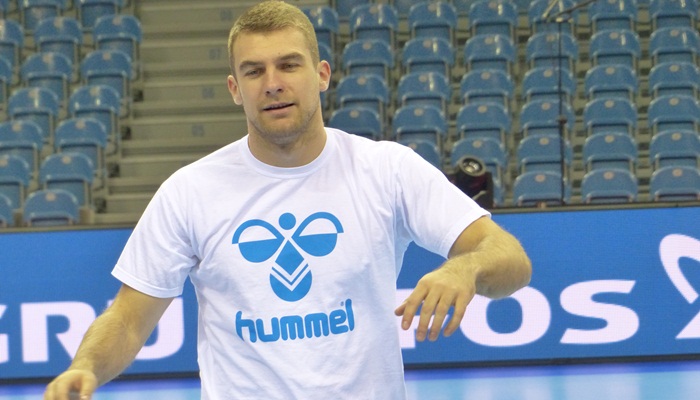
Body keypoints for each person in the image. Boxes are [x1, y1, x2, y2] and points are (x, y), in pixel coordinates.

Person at [44, 1, 531, 399]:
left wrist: (466, 268)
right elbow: (129, 318)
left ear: (322, 74)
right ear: (235, 89)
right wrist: (85, 367)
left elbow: (512, 261)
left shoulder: (387, 169)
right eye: (254, 71)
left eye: (289, 64)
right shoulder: (190, 192)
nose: (273, 82)